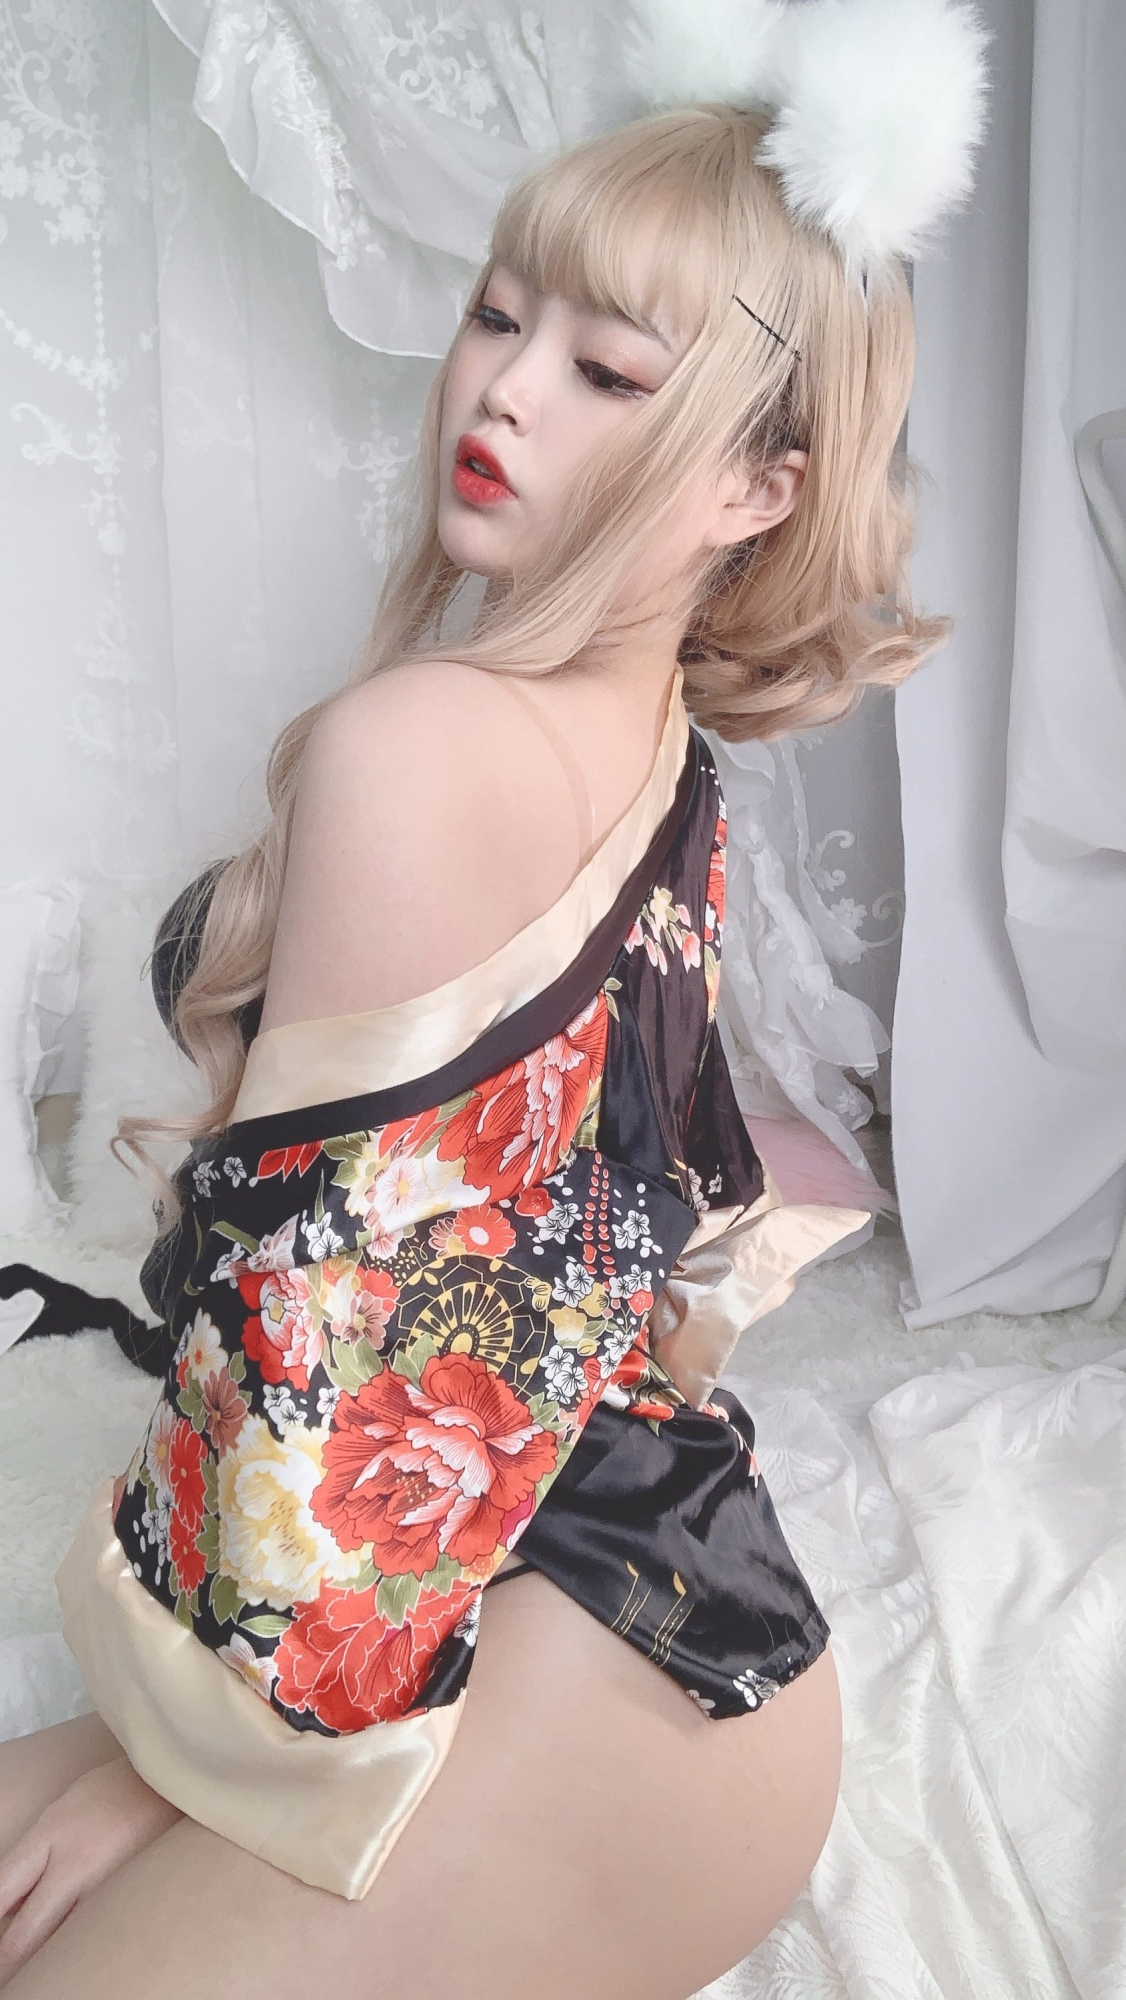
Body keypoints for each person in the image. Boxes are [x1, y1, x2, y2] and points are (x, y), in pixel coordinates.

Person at [0, 42, 981, 1995]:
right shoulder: (652, 740)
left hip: (569, 1687)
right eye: (497, 315)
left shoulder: (419, 745)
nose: (502, 390)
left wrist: (172, 1768)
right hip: (675, 1654)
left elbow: (332, 1363)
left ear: (754, 487)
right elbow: (557, 1273)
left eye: (605, 370)